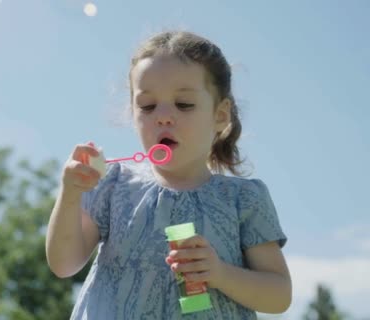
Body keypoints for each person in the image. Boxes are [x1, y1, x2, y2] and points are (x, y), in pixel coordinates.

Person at [45, 30, 292, 319]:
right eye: (147, 106)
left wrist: (220, 274)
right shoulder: (114, 184)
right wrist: (70, 194)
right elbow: (63, 264)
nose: (163, 116)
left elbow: (279, 295)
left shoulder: (243, 198)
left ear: (220, 115)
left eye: (184, 104)